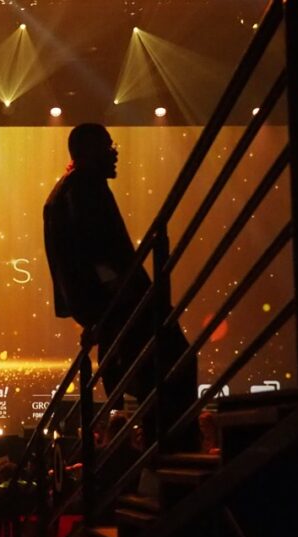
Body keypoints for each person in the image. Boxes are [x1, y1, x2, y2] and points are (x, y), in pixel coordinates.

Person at [43, 123, 196, 451]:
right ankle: (171, 455)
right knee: (175, 369)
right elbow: (99, 253)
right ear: (88, 151)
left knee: (153, 379)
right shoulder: (85, 188)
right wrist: (124, 297)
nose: (115, 153)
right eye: (107, 147)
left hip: (108, 309)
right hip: (123, 305)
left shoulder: (67, 191)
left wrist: (94, 315)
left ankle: (159, 460)